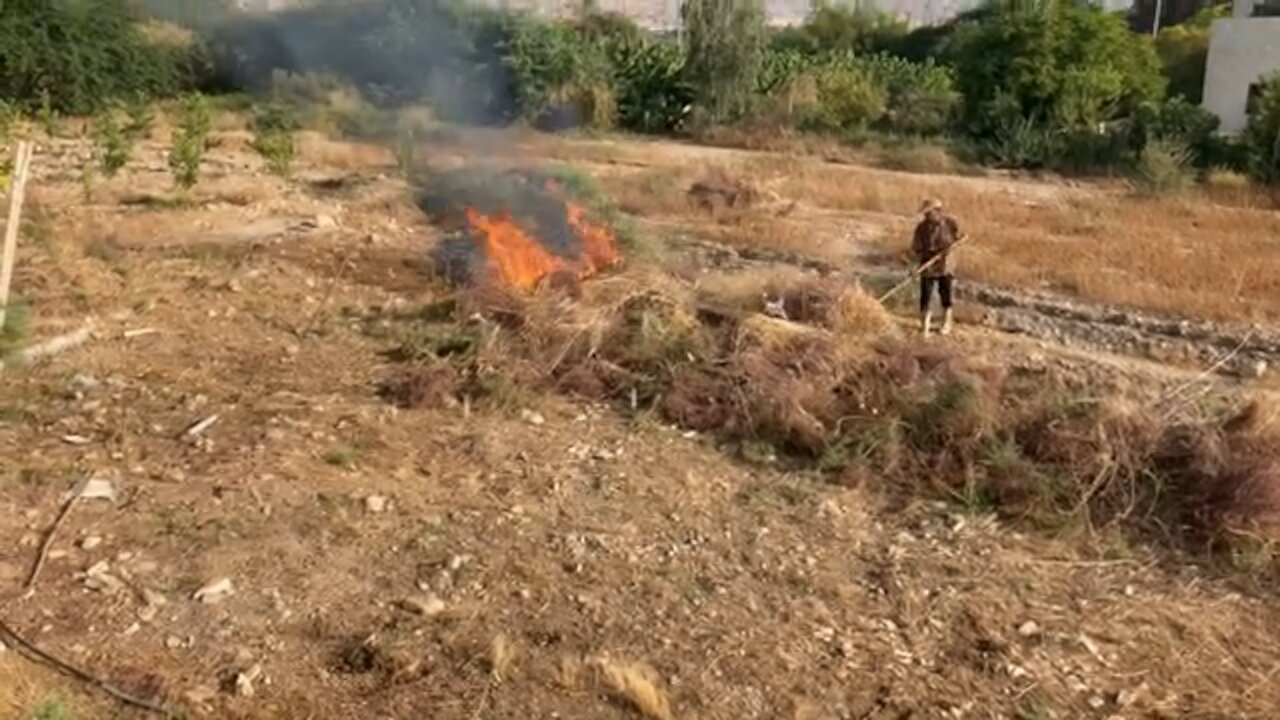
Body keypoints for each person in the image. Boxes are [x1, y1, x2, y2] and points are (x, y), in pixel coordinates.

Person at [910, 198, 963, 337]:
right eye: (925, 214)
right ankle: (925, 326)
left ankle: (946, 323)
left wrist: (948, 250)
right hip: (927, 264)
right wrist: (915, 265)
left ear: (938, 212)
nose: (927, 216)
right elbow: (916, 247)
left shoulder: (950, 224)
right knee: (926, 295)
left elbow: (958, 240)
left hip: (946, 264)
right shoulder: (921, 228)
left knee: (945, 293)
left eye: (929, 213)